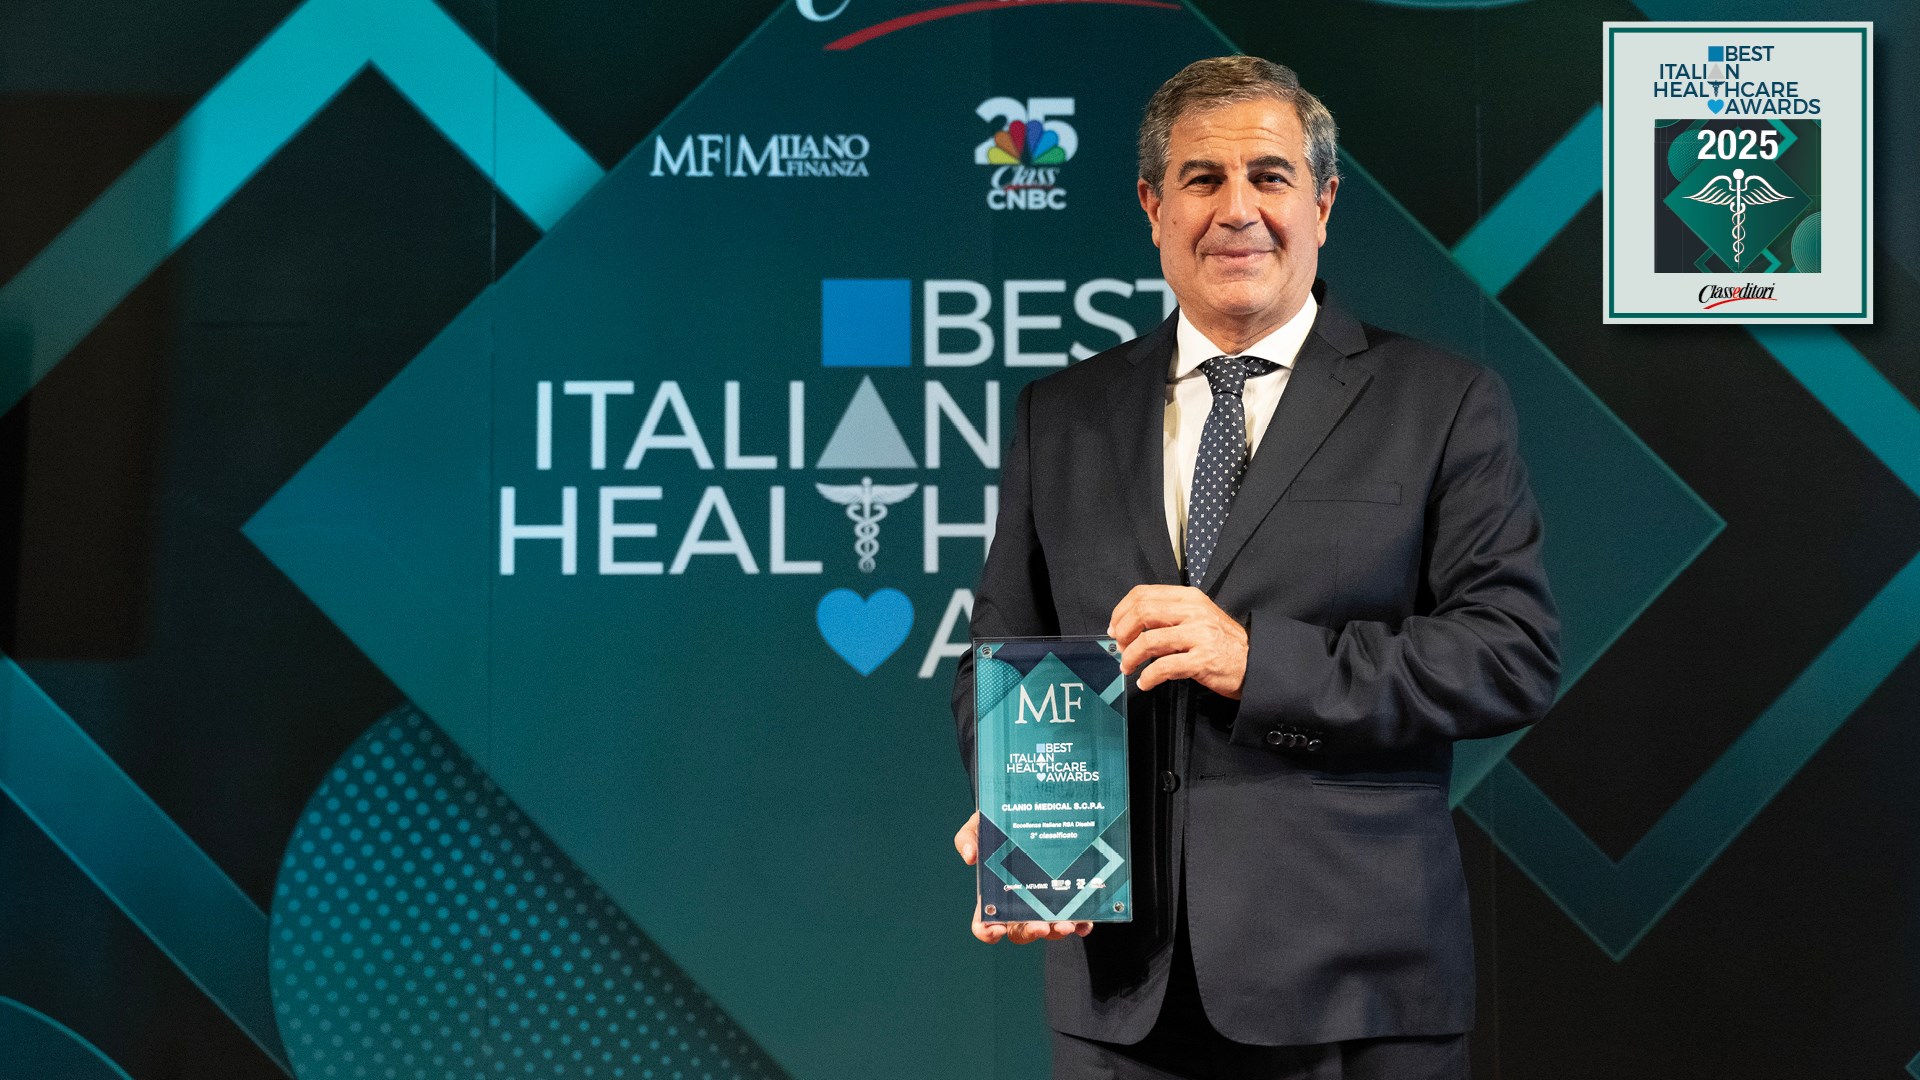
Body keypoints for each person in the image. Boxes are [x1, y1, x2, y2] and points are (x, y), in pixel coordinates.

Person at [950, 56, 1560, 1080]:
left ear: (1323, 203)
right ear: (1153, 207)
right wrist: (1021, 809)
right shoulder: (1061, 415)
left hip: (1357, 995)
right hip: (1121, 1001)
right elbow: (999, 655)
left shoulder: (1442, 402)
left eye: (1270, 177)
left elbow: (1510, 654)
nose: (1237, 210)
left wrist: (1258, 662)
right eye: (1202, 179)